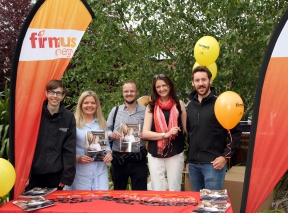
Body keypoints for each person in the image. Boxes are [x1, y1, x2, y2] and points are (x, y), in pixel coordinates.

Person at [186, 66, 242, 192]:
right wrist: (188, 160)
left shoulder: (221, 103)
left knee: (212, 206)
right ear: (193, 83)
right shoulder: (190, 106)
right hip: (193, 165)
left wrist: (225, 157)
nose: (201, 83)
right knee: (199, 204)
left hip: (213, 165)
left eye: (204, 80)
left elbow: (236, 133)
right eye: (197, 80)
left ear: (210, 80)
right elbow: (190, 135)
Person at [25, 80, 76, 191]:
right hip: (34, 174)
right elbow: (25, 145)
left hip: (56, 175)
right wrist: (24, 174)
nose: (55, 96)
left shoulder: (68, 117)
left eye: (58, 93)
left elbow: (70, 149)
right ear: (46, 93)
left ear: (63, 96)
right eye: (52, 92)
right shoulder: (34, 114)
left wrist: (66, 176)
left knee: (54, 207)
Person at [142, 74, 187, 191]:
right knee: (158, 189)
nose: (161, 89)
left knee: (175, 188)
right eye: (158, 87)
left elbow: (186, 129)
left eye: (164, 85)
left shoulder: (179, 104)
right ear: (155, 89)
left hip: (175, 152)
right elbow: (145, 133)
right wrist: (165, 135)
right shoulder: (151, 106)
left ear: (170, 86)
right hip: (155, 153)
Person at [65, 91, 113, 190]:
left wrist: (108, 153)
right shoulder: (72, 123)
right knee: (82, 204)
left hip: (100, 173)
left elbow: (106, 145)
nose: (89, 105)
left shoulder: (102, 123)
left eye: (93, 103)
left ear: (97, 105)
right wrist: (77, 158)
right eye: (86, 102)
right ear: (81, 105)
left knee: (101, 202)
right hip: (80, 174)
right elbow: (66, 148)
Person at [107, 80, 148, 190]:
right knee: (118, 194)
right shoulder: (115, 110)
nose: (129, 94)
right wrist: (111, 135)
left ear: (137, 92)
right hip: (119, 159)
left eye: (132, 91)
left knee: (140, 195)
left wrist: (145, 135)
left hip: (138, 158)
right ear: (122, 93)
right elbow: (107, 130)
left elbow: (150, 130)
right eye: (126, 91)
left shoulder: (146, 111)